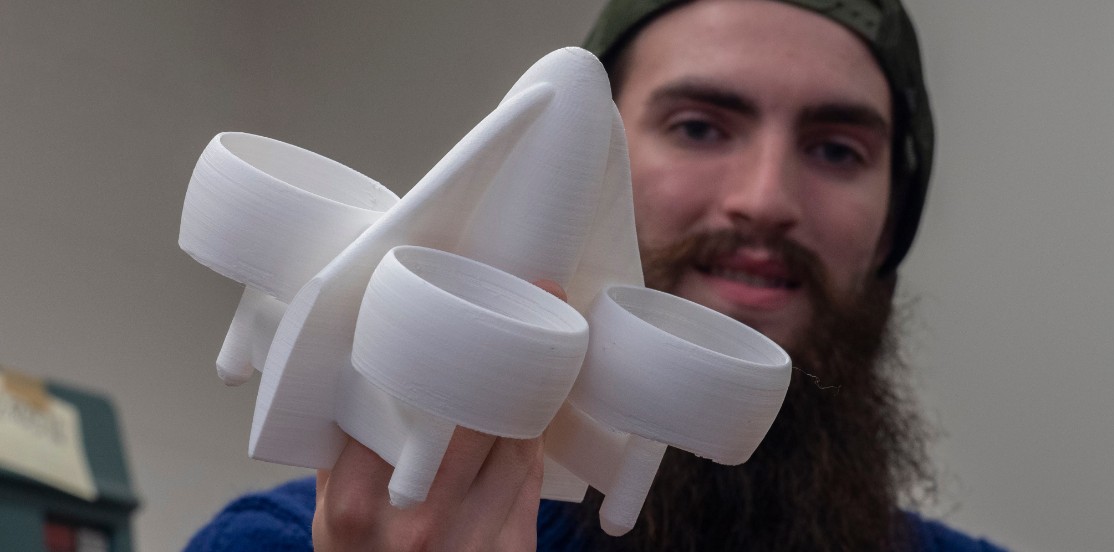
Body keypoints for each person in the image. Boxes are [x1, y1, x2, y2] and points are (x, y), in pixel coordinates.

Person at [187, 0, 1009, 550]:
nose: (764, 200)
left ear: (892, 227)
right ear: (593, 184)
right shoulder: (286, 540)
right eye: (698, 127)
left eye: (836, 150)